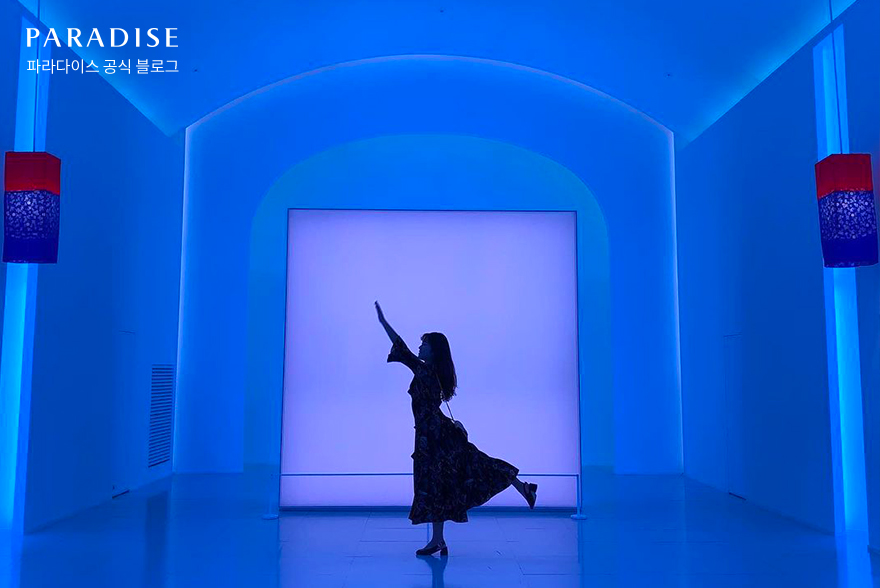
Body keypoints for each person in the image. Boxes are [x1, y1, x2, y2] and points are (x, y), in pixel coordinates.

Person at [375, 301, 538, 557]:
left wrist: (384, 323)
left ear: (433, 351)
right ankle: (440, 539)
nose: (420, 347)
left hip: (433, 438)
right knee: (452, 477)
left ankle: (439, 539)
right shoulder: (434, 372)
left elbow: (401, 348)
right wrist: (452, 425)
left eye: (424, 344)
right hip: (435, 434)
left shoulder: (425, 371)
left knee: (441, 481)